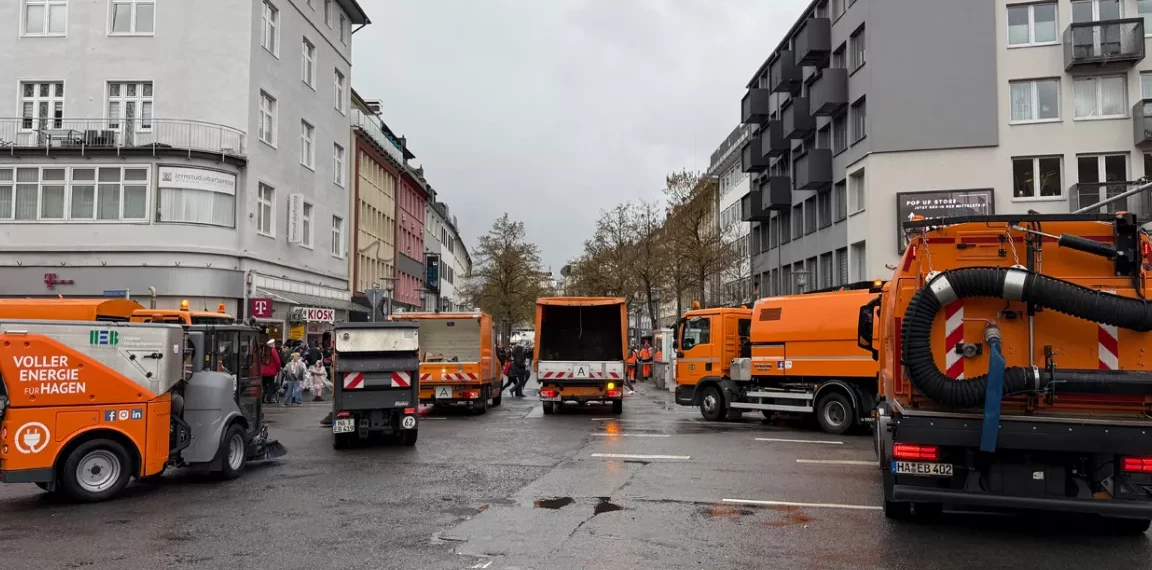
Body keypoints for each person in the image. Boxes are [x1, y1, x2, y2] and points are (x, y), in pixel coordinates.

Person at [258, 339, 282, 404]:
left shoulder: (262, 350)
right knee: (270, 385)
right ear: (272, 345)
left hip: (262, 372)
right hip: (271, 372)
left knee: (264, 386)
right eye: (273, 344)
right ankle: (268, 399)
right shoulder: (273, 351)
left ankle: (262, 399)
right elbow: (277, 361)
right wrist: (278, 369)